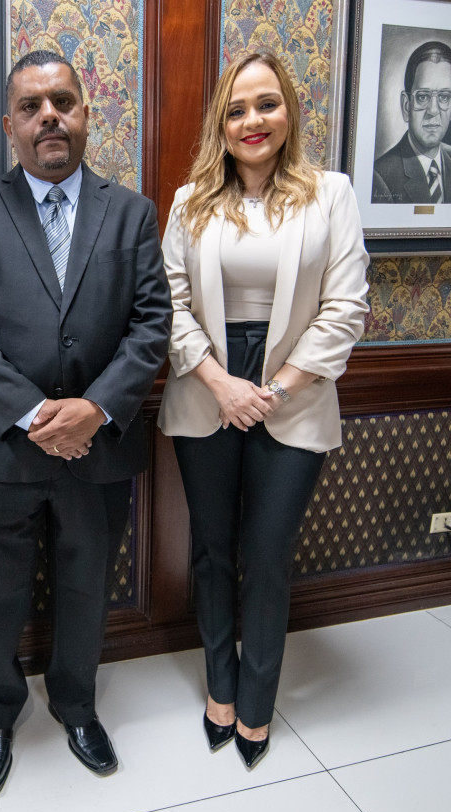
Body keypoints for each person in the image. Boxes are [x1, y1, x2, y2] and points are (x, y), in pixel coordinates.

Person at [0, 50, 171, 796]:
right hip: (2, 448)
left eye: (63, 102)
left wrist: (95, 409)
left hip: (99, 448)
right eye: (32, 107)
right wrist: (35, 413)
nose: (49, 118)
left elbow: (152, 322)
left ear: (86, 113)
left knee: (86, 584)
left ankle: (75, 705)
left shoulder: (129, 211)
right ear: (10, 126)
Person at [158, 52, 369, 769]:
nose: (254, 120)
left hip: (296, 392)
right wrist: (224, 385)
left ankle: (256, 700)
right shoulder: (190, 202)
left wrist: (272, 388)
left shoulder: (330, 194)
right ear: (222, 120)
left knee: (269, 557)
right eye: (239, 108)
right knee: (214, 552)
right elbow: (169, 306)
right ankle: (220, 687)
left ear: (290, 114)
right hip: (206, 390)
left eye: (268, 104)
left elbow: (346, 308)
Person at [372, 40, 451, 203]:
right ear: (406, 105)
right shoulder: (380, 176)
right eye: (423, 97)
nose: (433, 111)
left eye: (444, 97)